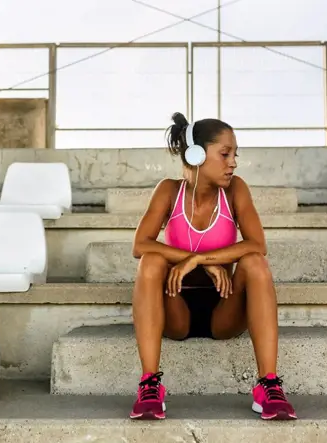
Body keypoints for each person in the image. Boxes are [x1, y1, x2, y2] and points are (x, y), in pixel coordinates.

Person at [129, 112, 297, 421]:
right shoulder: (168, 191)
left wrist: (200, 258)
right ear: (197, 154)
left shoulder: (235, 190)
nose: (233, 162)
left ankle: (268, 386)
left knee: (254, 263)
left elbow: (257, 244)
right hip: (174, 306)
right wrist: (195, 261)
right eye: (225, 154)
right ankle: (150, 386)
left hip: (225, 308)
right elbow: (140, 245)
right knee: (151, 261)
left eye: (235, 155)